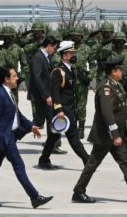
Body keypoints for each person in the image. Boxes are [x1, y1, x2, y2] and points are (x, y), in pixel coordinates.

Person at [71, 58, 127, 204]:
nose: (122, 72)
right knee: (92, 163)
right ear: (114, 71)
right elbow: (107, 114)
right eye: (120, 70)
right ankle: (78, 191)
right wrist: (115, 134)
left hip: (117, 135)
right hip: (107, 136)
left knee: (126, 162)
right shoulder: (105, 88)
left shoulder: (115, 86)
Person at [0, 66, 52, 209]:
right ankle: (35, 197)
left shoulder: (9, 93)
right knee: (19, 165)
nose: (17, 78)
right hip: (4, 138)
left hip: (6, 136)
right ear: (6, 79)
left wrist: (31, 127)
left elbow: (17, 114)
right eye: (14, 76)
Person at [38, 41, 89, 169]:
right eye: (71, 53)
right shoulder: (58, 71)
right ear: (64, 55)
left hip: (70, 109)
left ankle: (43, 159)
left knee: (53, 137)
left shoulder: (70, 70)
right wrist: (59, 110)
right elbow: (55, 93)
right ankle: (87, 161)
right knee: (73, 137)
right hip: (64, 111)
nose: (74, 55)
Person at [29, 36, 61, 157]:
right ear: (49, 45)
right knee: (41, 120)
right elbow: (37, 79)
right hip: (41, 96)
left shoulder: (46, 58)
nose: (54, 50)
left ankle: (52, 145)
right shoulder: (38, 58)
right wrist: (46, 95)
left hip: (46, 95)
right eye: (54, 47)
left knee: (49, 120)